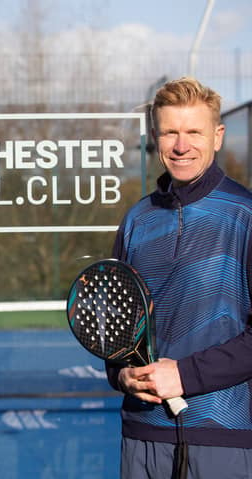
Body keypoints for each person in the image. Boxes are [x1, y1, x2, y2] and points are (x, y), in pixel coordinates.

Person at [106, 76, 252, 478]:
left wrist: (184, 375)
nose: (181, 145)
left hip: (224, 436)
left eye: (193, 132)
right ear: (156, 137)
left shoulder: (245, 215)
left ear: (218, 136)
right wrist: (121, 374)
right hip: (142, 434)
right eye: (170, 132)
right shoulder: (137, 219)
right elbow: (117, 330)